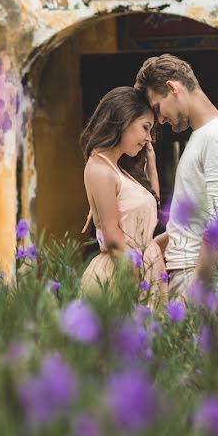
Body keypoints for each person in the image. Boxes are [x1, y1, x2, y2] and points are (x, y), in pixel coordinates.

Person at [134, 54, 218, 305]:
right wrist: (151, 250)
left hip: (210, 280)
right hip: (196, 277)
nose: (161, 120)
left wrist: (193, 291)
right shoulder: (201, 138)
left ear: (172, 87)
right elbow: (190, 223)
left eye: (158, 108)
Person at [80, 86, 166, 302]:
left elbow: (150, 217)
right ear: (125, 119)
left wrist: (151, 169)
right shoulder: (100, 168)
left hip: (142, 271)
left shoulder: (121, 170)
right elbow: (113, 237)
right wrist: (137, 285)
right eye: (145, 128)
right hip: (122, 276)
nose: (148, 138)